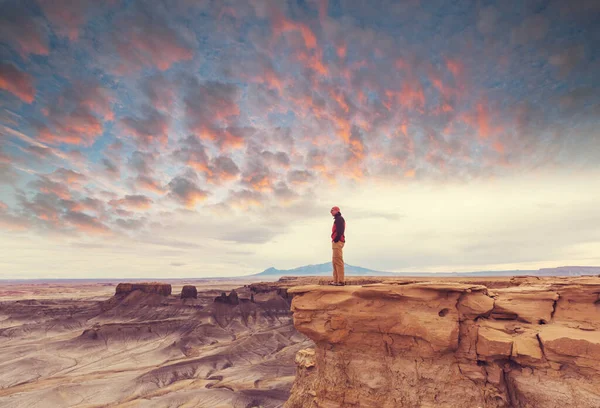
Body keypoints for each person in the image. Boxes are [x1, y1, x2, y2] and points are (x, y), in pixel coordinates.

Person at [329, 206, 346, 286]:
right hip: (336, 241)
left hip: (338, 242)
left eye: (332, 210)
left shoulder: (339, 219)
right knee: (334, 261)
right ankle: (336, 280)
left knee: (338, 261)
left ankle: (341, 281)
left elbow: (340, 230)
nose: (331, 212)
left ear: (336, 211)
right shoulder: (337, 219)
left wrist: (336, 239)